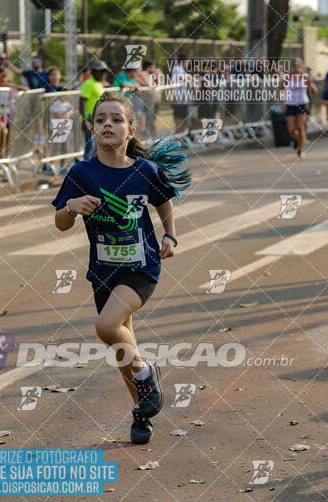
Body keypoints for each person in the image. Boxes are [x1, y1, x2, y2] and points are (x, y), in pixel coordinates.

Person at [52, 91, 190, 444]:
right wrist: (72, 206)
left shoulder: (145, 171)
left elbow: (164, 202)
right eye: (100, 120)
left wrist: (170, 236)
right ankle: (142, 411)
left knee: (107, 325)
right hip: (103, 270)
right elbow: (60, 224)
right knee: (121, 347)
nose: (107, 124)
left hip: (141, 267)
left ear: (130, 130)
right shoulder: (81, 173)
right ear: (91, 129)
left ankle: (147, 371)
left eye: (116, 119)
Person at [279, 58, 318, 158]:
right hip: (290, 104)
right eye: (294, 66)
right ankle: (298, 140)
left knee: (300, 127)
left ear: (301, 66)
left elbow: (315, 92)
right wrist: (283, 101)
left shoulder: (305, 77)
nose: (296, 68)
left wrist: (310, 84)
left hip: (302, 104)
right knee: (292, 130)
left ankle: (300, 150)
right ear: (292, 67)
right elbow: (280, 90)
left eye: (298, 66)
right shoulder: (287, 77)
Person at [79, 60, 108, 160]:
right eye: (100, 71)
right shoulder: (88, 83)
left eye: (104, 71)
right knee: (90, 146)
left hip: (98, 118)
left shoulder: (99, 84)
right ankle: (85, 170)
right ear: (94, 71)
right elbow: (82, 101)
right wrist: (84, 120)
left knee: (97, 145)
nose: (102, 73)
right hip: (89, 118)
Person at [171, 56, 191, 133]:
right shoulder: (177, 69)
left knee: (184, 120)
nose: (188, 64)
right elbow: (181, 78)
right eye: (187, 61)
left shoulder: (182, 70)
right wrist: (191, 78)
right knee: (179, 120)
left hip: (184, 100)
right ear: (183, 61)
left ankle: (181, 138)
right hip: (178, 99)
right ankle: (177, 139)